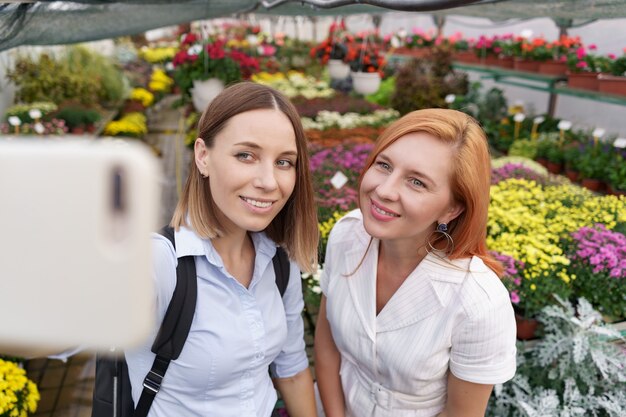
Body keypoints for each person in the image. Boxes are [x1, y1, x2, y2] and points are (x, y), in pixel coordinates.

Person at [124, 82, 319, 417]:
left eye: (284, 162)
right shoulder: (159, 263)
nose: (269, 181)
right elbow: (62, 334)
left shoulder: (278, 262)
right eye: (246, 155)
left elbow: (292, 369)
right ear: (203, 156)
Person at [314, 108, 517, 417]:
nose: (383, 190)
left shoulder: (479, 302)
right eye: (384, 165)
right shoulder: (347, 234)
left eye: (417, 182)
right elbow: (327, 345)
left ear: (452, 209)